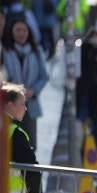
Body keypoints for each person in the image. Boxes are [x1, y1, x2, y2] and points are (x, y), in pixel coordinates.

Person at [2, 17, 49, 150]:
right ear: (11, 31)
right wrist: (15, 90)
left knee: (30, 145)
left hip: (31, 105)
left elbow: (44, 76)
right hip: (9, 105)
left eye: (24, 30)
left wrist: (33, 90)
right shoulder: (5, 52)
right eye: (18, 30)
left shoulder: (36, 51)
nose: (21, 33)